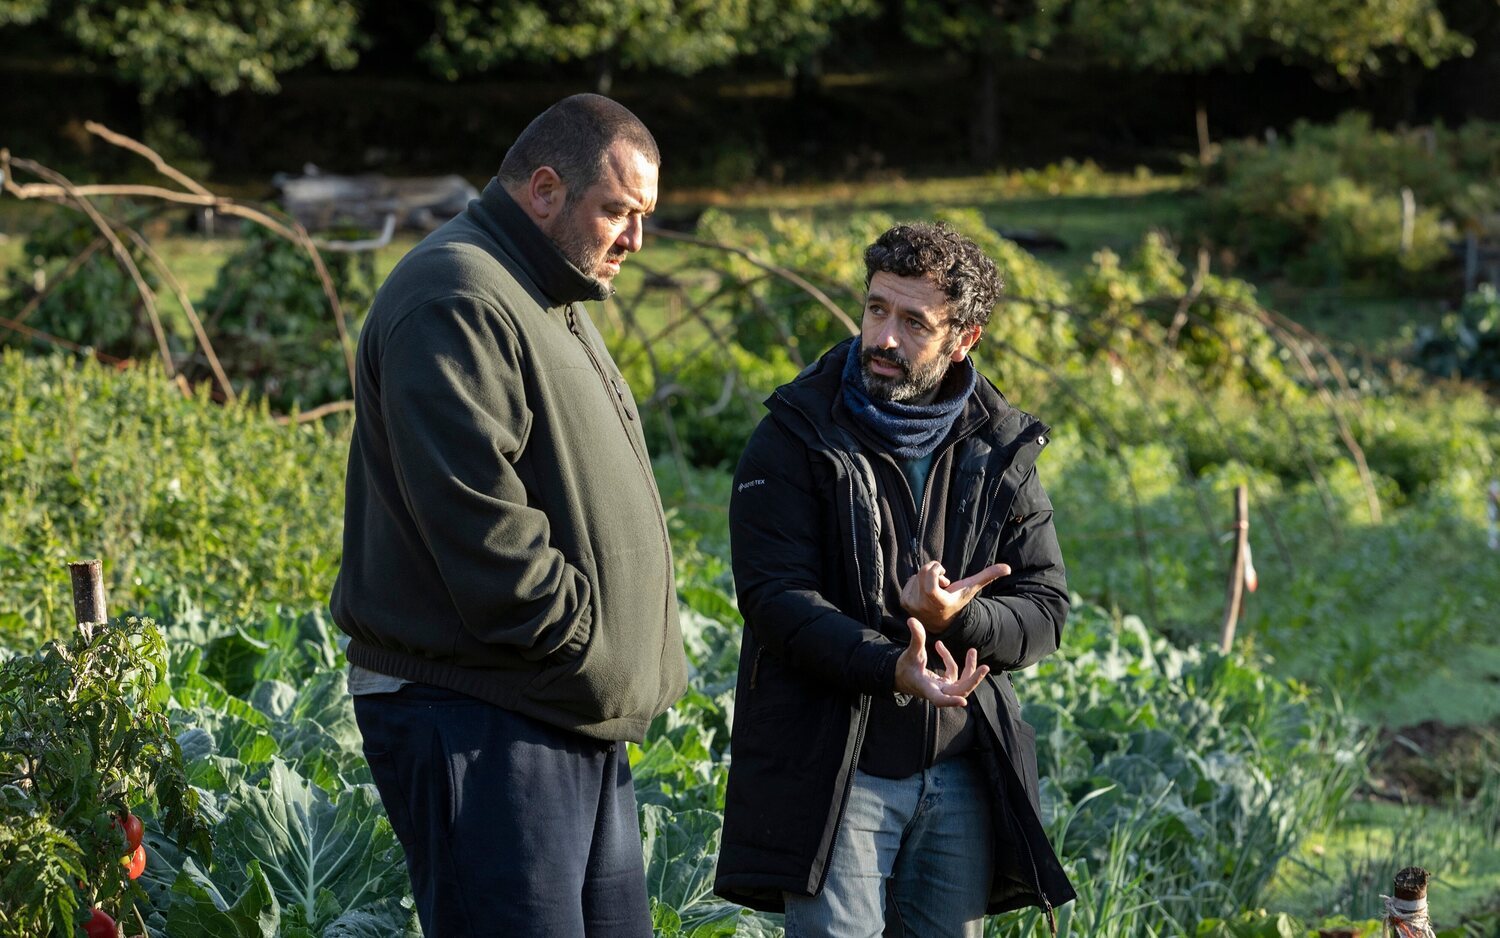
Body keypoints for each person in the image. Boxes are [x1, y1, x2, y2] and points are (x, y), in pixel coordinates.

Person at [330, 93, 686, 937]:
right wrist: (584, 645)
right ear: (545, 189)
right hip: (481, 713)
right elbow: (481, 524)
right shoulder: (456, 295)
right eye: (618, 212)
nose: (635, 240)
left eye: (642, 216)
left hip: (557, 708)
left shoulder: (546, 288)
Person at [714, 222, 1075, 936]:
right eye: (877, 308)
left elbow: (1046, 607)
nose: (884, 337)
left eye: (914, 322)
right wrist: (890, 667)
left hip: (959, 770)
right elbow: (774, 597)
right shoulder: (795, 430)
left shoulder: (999, 443)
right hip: (836, 772)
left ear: (964, 339)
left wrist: (956, 621)